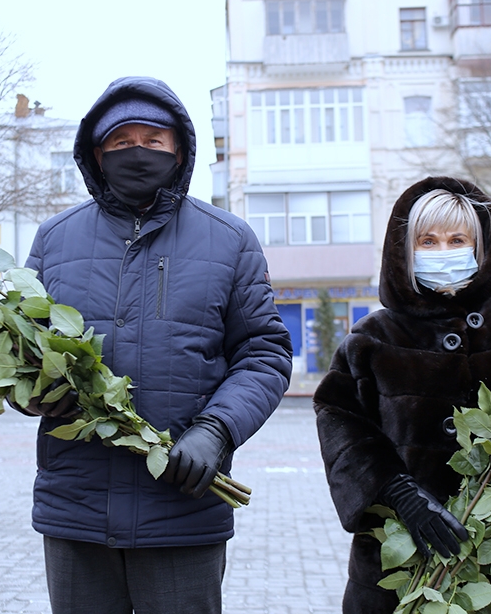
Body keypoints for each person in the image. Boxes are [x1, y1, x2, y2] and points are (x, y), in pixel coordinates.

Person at [19, 76, 293, 614]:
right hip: (77, 509)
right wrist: (31, 392)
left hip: (182, 507)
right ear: (96, 155)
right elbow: (20, 346)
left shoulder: (230, 239)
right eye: (120, 143)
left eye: (152, 140)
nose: (136, 152)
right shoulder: (54, 240)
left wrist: (217, 431)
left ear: (180, 149)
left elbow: (264, 353)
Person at [313, 177, 491, 613]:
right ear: (406, 250)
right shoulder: (371, 339)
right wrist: (398, 492)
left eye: (457, 239)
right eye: (428, 240)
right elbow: (339, 421)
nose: (443, 249)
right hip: (404, 559)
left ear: (480, 248)